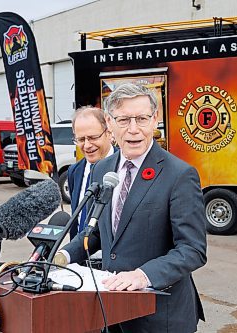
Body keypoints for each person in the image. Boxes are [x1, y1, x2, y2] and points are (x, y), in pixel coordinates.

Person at [58, 83, 207, 332]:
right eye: (124, 120)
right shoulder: (102, 169)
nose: (134, 129)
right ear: (110, 122)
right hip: (112, 312)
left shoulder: (179, 175)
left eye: (142, 118)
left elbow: (192, 249)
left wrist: (142, 275)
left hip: (159, 317)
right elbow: (96, 233)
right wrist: (63, 255)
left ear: (155, 120)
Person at [68, 106, 115, 240]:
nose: (87, 145)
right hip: (79, 257)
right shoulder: (74, 171)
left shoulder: (125, 166)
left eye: (93, 138)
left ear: (108, 133)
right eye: (81, 140)